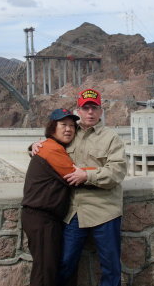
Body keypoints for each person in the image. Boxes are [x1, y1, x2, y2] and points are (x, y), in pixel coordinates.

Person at [32, 89, 127, 286]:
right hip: (74, 212)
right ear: (79, 110)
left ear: (101, 111)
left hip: (105, 211)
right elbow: (49, 149)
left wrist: (87, 175)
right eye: (86, 108)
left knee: (111, 268)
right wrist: (33, 146)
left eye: (94, 108)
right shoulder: (69, 132)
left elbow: (117, 172)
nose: (90, 112)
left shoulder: (111, 138)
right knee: (65, 263)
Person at [21, 108, 84, 286]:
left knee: (47, 268)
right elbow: (74, 174)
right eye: (63, 124)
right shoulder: (51, 149)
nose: (68, 129)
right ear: (52, 127)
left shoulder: (50, 146)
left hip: (43, 218)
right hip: (42, 219)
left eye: (72, 125)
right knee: (44, 272)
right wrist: (102, 172)